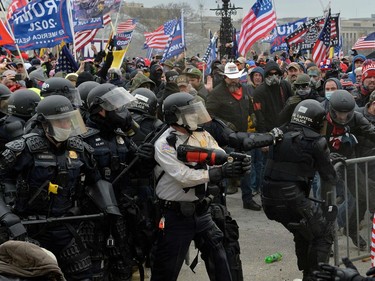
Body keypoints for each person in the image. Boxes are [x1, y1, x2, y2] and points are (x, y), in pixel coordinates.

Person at [0, 95, 121, 280]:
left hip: (65, 225)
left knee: (83, 275)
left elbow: (96, 180)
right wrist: (8, 216)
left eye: (69, 120)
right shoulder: (22, 149)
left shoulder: (79, 148)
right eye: (60, 122)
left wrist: (109, 206)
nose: (67, 126)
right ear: (44, 123)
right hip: (27, 227)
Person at [151, 92, 251, 281]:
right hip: (175, 216)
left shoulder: (201, 134)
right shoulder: (164, 143)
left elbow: (219, 156)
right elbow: (183, 176)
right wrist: (216, 173)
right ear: (176, 116)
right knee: (166, 270)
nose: (196, 116)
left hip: (201, 211)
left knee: (220, 261)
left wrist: (234, 164)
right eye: (190, 112)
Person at [83, 83, 156, 280]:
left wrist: (146, 160)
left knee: (123, 264)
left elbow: (139, 172)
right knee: (95, 267)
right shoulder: (82, 138)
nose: (121, 111)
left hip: (121, 212)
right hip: (92, 215)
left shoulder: (121, 137)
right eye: (115, 107)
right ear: (100, 110)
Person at [261, 99, 338, 281]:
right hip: (292, 200)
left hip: (268, 200)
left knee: (303, 229)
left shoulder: (280, 133)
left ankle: (306, 271)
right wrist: (333, 163)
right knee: (324, 233)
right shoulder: (316, 141)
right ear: (316, 121)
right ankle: (316, 276)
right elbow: (330, 176)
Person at [206, 62, 261, 209]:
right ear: (225, 77)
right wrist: (223, 125)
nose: (234, 81)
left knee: (246, 168)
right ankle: (220, 201)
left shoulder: (244, 90)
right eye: (231, 78)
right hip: (226, 139)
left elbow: (250, 107)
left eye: (236, 77)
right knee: (226, 168)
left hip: (243, 136)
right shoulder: (216, 94)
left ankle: (248, 199)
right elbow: (208, 115)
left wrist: (253, 116)